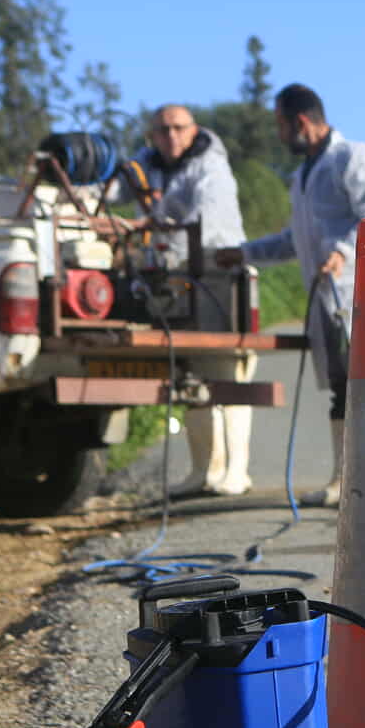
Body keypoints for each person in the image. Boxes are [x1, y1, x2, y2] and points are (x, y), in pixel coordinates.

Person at [217, 84, 365, 506]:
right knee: (343, 388)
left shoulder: (354, 157)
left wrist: (343, 252)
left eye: (280, 125)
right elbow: (293, 240)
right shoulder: (301, 177)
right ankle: (349, 480)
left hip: (360, 297)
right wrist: (244, 253)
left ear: (300, 122)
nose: (280, 135)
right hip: (327, 301)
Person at [135, 103, 252, 497]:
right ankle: (204, 469)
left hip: (220, 276)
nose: (170, 136)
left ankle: (236, 470)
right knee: (191, 376)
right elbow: (122, 187)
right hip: (179, 278)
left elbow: (205, 224)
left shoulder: (211, 168)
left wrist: (151, 231)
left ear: (193, 130)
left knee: (228, 373)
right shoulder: (149, 165)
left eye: (178, 128)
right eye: (162, 130)